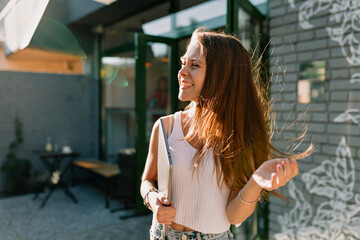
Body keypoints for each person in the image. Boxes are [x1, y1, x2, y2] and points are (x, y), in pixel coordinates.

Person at [140, 28, 312, 240]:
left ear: (221, 75)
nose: (182, 71)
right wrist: (152, 198)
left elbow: (233, 215)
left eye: (195, 65)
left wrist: (255, 183)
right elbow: (147, 180)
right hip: (162, 235)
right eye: (184, 62)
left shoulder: (240, 138)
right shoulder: (165, 127)